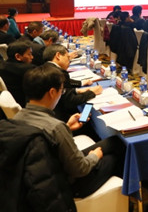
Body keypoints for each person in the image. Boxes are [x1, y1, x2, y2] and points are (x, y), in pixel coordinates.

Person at [12, 64, 124, 198]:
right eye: (62, 90)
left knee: (114, 142)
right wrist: (95, 156)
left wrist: (68, 127)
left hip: (42, 175)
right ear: (52, 92)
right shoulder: (56, 127)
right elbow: (80, 169)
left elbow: (45, 141)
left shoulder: (17, 117)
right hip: (65, 184)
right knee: (118, 154)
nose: (62, 94)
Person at [44, 44, 102, 122]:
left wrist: (76, 91)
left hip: (50, 113)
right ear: (58, 56)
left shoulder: (46, 67)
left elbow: (65, 93)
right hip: (62, 117)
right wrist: (92, 92)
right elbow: (69, 101)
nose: (69, 61)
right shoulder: (59, 73)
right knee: (88, 110)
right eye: (68, 57)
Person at [0, 41, 36, 107]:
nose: (32, 57)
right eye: (29, 54)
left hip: (4, 103)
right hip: (23, 104)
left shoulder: (1, 66)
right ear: (18, 56)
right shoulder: (28, 69)